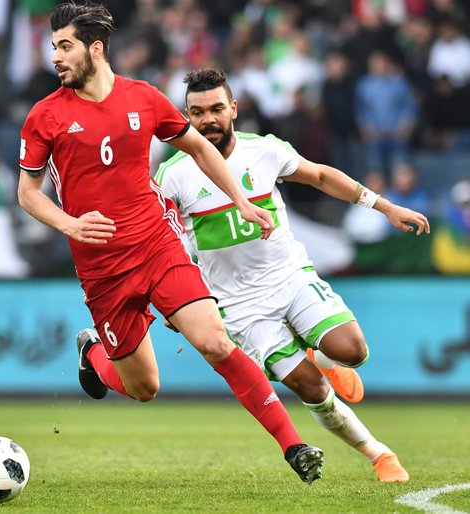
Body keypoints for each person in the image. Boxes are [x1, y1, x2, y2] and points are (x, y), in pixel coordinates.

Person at [18, 2, 323, 484]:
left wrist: (242, 201)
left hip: (157, 245)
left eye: (65, 46)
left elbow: (201, 147)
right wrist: (70, 225)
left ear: (95, 49)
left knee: (215, 341)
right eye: (53, 46)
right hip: (101, 269)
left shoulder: (143, 98)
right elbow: (27, 194)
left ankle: (295, 446)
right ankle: (93, 354)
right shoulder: (44, 116)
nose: (55, 57)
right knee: (144, 387)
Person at [156, 68, 431, 483]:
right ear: (186, 116)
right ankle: (380, 455)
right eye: (196, 112)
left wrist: (384, 206)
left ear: (233, 109)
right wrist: (179, 302)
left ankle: (321, 354)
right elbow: (163, 241)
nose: (207, 119)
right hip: (239, 305)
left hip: (289, 278)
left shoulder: (263, 150)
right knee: (311, 389)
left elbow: (320, 175)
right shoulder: (173, 173)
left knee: (352, 350)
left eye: (216, 109)